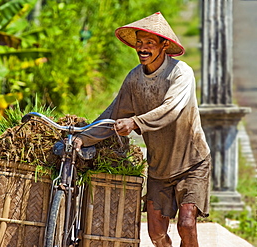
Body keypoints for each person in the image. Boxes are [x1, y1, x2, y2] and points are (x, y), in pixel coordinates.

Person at [75, 12, 211, 247]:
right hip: (159, 167)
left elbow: (171, 109)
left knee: (186, 225)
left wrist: (135, 122)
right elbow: (113, 114)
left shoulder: (181, 73)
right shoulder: (134, 79)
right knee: (156, 234)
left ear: (164, 45)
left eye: (150, 43)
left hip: (192, 162)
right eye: (139, 42)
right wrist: (83, 137)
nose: (143, 48)